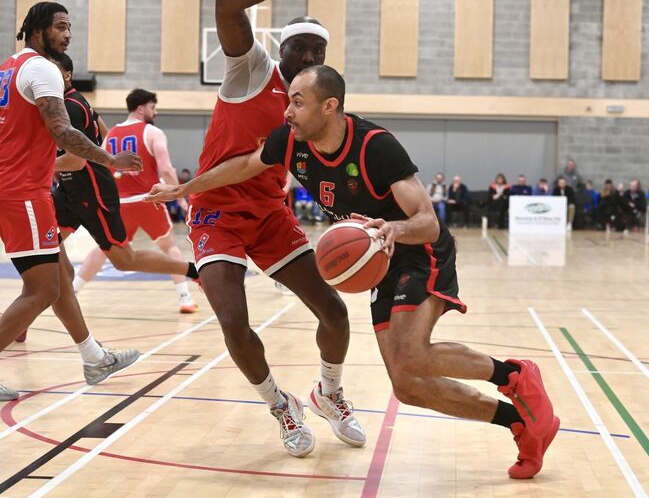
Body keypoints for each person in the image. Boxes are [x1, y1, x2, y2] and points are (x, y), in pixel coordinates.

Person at [148, 65, 559, 479]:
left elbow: (428, 222)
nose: (286, 111)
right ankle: (520, 423)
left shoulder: (376, 147)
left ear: (330, 106)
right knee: (408, 385)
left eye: (296, 101)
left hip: (417, 250)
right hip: (379, 262)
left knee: (413, 354)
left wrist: (393, 229)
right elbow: (245, 165)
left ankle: (516, 375)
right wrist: (187, 188)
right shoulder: (290, 141)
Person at [146, 0, 367, 457]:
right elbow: (227, 3)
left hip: (268, 213)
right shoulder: (252, 67)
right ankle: (281, 405)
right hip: (215, 211)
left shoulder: (318, 107)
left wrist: (368, 220)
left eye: (317, 52)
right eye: (299, 48)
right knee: (232, 320)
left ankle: (329, 394)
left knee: (334, 311)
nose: (307, 57)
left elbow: (328, 172)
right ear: (280, 48)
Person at [0, 2, 143, 401]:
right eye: (61, 26)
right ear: (37, 29)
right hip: (24, 192)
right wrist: (111, 159)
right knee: (41, 290)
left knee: (59, 275)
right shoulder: (42, 69)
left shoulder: (7, 68)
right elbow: (63, 132)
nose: (67, 35)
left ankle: (93, 356)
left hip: (15, 188)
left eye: (69, 27)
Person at [70, 88, 199, 312]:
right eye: (153, 107)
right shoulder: (152, 132)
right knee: (169, 247)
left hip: (118, 203)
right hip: (147, 200)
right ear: (141, 108)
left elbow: (101, 168)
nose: (155, 112)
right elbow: (167, 169)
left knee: (103, 249)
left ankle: (73, 291)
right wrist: (179, 196)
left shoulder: (110, 134)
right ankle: (185, 298)